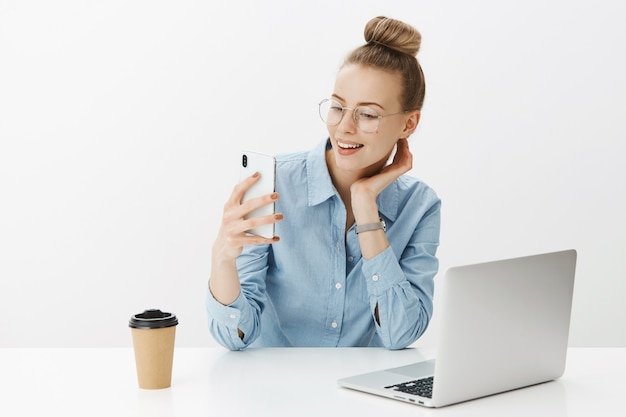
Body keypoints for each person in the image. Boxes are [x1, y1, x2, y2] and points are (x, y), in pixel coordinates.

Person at [206, 16, 441, 350]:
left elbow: (401, 334)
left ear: (409, 123)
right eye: (337, 107)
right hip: (274, 393)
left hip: (362, 395)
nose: (344, 127)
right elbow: (236, 336)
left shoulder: (419, 207)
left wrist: (366, 209)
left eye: (368, 114)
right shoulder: (276, 184)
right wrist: (222, 258)